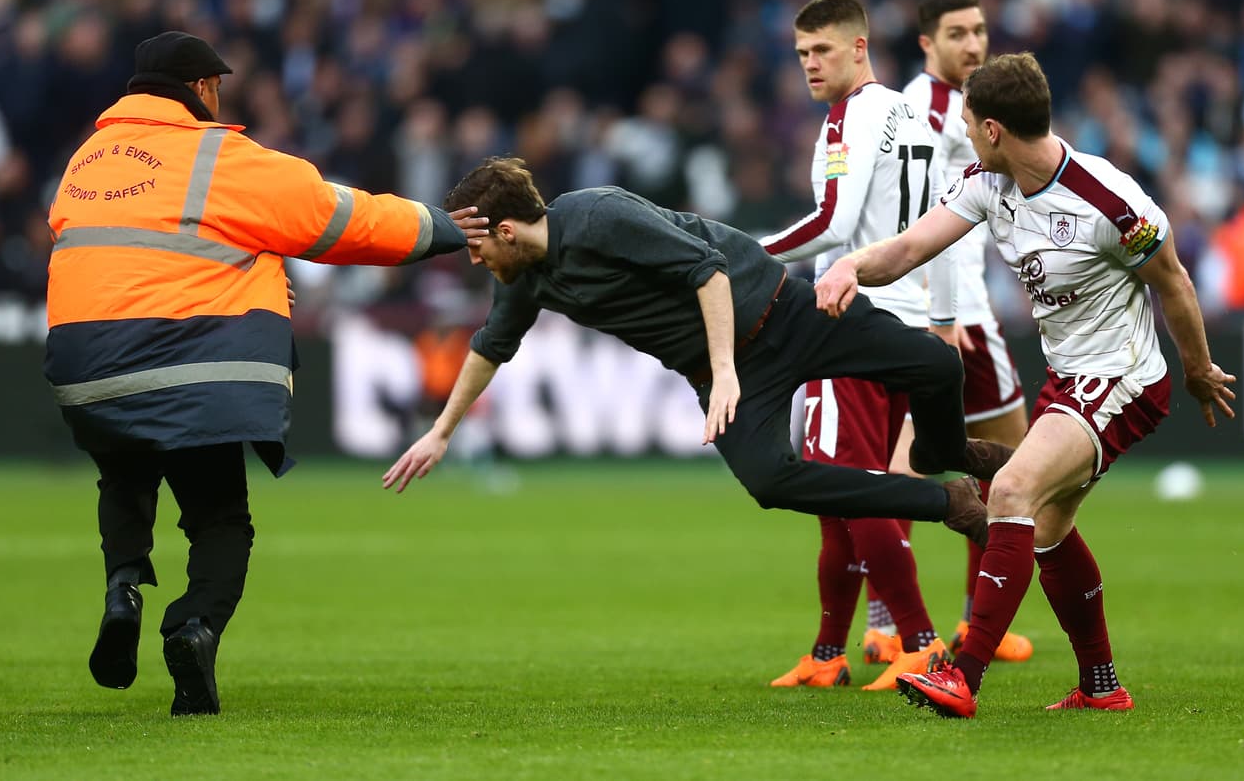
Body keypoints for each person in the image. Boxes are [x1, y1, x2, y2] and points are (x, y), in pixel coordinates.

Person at [44, 31, 486, 716]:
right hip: (193, 365)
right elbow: (345, 221)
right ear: (201, 89)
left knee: (124, 472)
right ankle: (195, 627)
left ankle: (123, 588)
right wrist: (450, 226)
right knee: (220, 517)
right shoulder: (220, 157)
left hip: (82, 364)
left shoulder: (85, 161)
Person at [815, 52, 1237, 718]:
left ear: (992, 129)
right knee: (1045, 529)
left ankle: (963, 676)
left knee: (1010, 489)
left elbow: (1175, 282)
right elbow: (906, 250)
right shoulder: (988, 183)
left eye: (966, 122)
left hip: (1123, 378)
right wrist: (849, 268)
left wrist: (1197, 370)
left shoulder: (1109, 200)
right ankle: (1101, 686)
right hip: (1069, 380)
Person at [384, 157, 1012, 553]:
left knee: (938, 365)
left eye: (475, 247)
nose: (474, 261)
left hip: (783, 313)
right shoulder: (523, 281)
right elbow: (490, 347)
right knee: (770, 481)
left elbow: (708, 273)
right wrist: (441, 432)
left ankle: (943, 453)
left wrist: (724, 374)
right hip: (727, 366)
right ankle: (950, 502)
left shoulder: (598, 215)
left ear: (505, 231)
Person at [757, 0, 959, 692]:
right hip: (902, 322)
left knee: (856, 491)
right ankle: (826, 651)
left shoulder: (850, 117)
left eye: (823, 51)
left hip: (849, 323)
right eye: (802, 54)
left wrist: (748, 256)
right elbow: (938, 224)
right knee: (840, 495)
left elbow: (835, 227)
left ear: (859, 48)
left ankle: (923, 642)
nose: (811, 65)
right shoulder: (913, 116)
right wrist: (941, 315)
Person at [860, 0, 1035, 665]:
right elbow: (927, 228)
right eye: (958, 33)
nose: (974, 44)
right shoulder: (927, 115)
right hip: (949, 311)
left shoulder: (960, 109)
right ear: (927, 41)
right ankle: (937, 623)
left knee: (909, 462)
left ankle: (919, 623)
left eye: (981, 31)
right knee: (1008, 463)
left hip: (939, 306)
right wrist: (947, 314)